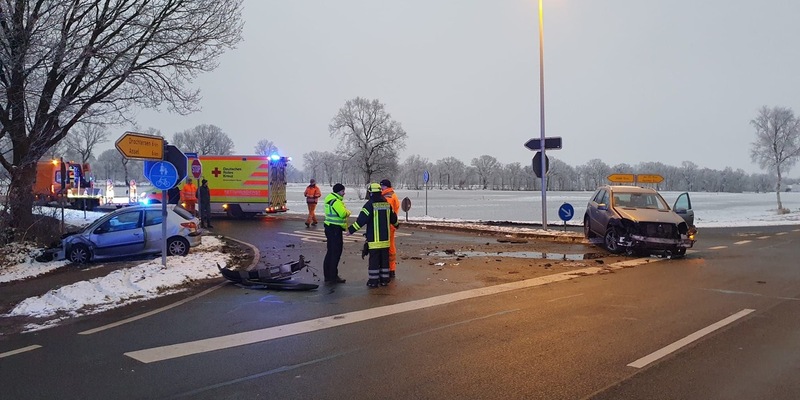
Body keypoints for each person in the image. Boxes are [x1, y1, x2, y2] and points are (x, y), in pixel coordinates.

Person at [347, 183, 399, 288]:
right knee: (384, 261)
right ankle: (384, 280)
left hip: (374, 240)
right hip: (385, 240)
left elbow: (361, 221)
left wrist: (351, 230)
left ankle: (373, 281)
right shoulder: (386, 204)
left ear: (371, 193)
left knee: (374, 261)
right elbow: (394, 219)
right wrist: (397, 225)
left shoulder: (369, 205)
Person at [322, 183, 350, 284]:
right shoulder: (336, 201)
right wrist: (348, 212)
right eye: (342, 191)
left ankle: (328, 275)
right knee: (335, 253)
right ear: (338, 191)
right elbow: (342, 214)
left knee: (330, 252)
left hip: (330, 228)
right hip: (335, 229)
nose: (344, 193)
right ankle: (333, 276)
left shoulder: (330, 199)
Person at [380, 179, 401, 279]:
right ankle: (391, 269)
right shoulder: (392, 195)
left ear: (386, 186)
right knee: (391, 246)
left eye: (382, 186)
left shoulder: (388, 197)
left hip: (388, 225)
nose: (381, 188)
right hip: (391, 225)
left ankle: (388, 268)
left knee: (387, 247)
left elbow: (386, 212)